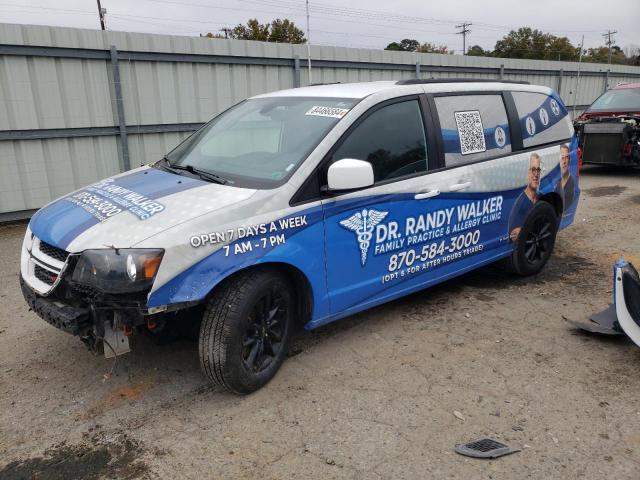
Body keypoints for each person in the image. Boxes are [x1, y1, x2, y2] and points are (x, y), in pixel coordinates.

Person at [509, 153, 541, 242]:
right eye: (533, 169)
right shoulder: (520, 204)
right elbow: (512, 235)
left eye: (538, 170)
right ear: (527, 172)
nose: (536, 174)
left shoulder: (541, 197)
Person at [557, 144, 575, 209]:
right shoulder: (555, 181)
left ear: (569, 160)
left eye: (566, 157)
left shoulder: (571, 182)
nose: (564, 161)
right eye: (562, 157)